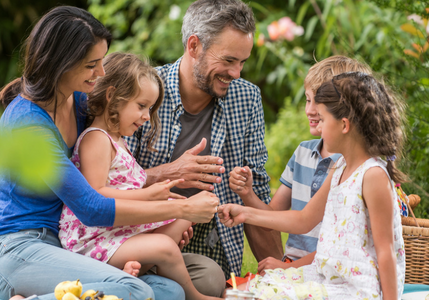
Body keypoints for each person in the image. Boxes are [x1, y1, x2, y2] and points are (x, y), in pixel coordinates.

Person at [0, 6, 219, 300]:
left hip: (62, 246)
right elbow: (91, 206)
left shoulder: (81, 104)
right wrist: (181, 209)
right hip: (19, 249)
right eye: (91, 64)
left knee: (170, 292)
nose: (101, 72)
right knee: (133, 290)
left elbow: (113, 179)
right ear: (60, 63)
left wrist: (166, 192)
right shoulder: (27, 123)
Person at [218, 72, 408, 299]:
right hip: (327, 277)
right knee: (242, 290)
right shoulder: (340, 168)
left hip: (356, 289)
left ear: (344, 125)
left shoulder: (372, 175)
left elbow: (385, 250)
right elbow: (303, 220)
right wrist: (244, 213)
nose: (319, 127)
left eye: (323, 120)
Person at [125, 0, 271, 293]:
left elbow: (258, 196)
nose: (236, 73)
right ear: (194, 46)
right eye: (229, 60)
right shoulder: (143, 92)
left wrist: (280, 273)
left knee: (210, 278)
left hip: (212, 245)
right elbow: (108, 181)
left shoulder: (247, 98)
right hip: (139, 235)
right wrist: (170, 173)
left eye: (242, 62)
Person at [58, 52, 221, 300]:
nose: (147, 116)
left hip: (116, 232)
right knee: (166, 244)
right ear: (113, 97)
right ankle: (194, 296)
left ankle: (132, 269)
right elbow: (95, 194)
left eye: (150, 108)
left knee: (183, 217)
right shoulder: (96, 139)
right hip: (93, 238)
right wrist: (147, 195)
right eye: (141, 106)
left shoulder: (118, 141)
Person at [228, 56, 373, 274]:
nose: (310, 110)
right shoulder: (303, 153)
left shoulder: (351, 167)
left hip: (329, 269)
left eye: (319, 103)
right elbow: (272, 218)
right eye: (307, 100)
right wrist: (247, 194)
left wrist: (289, 269)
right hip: (293, 265)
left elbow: (339, 247)